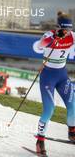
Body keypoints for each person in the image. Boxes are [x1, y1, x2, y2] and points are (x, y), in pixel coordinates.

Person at [35, 12, 75, 155]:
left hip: (62, 75)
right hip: (48, 77)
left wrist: (65, 35)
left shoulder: (72, 36)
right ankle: (40, 141)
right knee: (49, 109)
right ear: (57, 28)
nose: (66, 33)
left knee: (73, 105)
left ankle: (72, 131)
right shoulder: (48, 36)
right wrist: (53, 39)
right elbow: (40, 46)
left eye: (68, 30)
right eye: (64, 30)